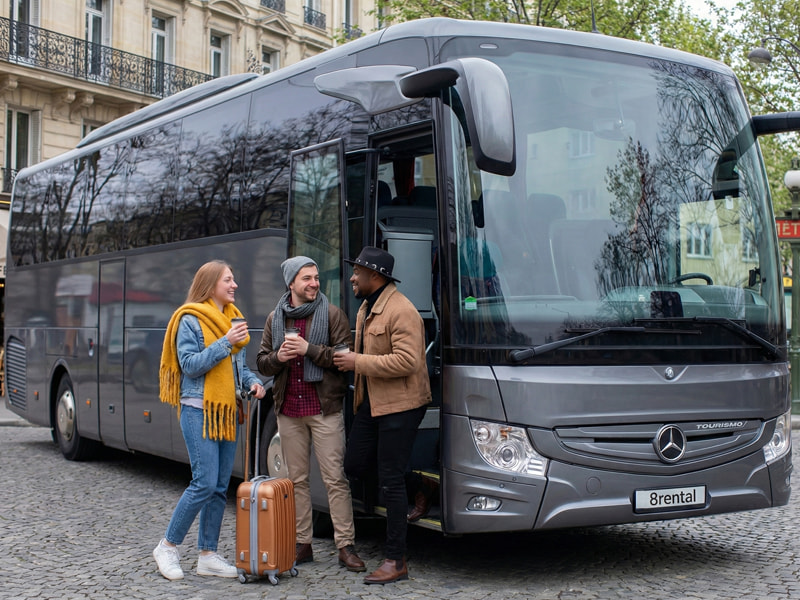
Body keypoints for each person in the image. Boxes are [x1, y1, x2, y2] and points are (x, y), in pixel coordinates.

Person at [153, 260, 266, 581]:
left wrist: (252, 382)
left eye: (234, 279)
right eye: (228, 280)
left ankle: (208, 555)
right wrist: (226, 341)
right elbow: (190, 365)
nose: (234, 285)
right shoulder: (189, 318)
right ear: (211, 283)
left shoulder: (232, 318)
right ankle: (167, 546)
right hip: (197, 409)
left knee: (218, 487)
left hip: (227, 410)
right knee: (202, 482)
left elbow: (237, 368)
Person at [256, 256, 365, 572]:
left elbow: (343, 360)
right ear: (291, 283)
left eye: (316, 277)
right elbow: (262, 362)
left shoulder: (332, 315)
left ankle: (345, 545)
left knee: (335, 479)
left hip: (324, 409)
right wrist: (279, 356)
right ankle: (303, 544)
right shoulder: (276, 318)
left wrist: (308, 350)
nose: (315, 283)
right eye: (307, 278)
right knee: (296, 480)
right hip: (289, 410)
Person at [333, 246, 432, 585]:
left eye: (357, 272)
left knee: (389, 478)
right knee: (355, 465)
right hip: (372, 402)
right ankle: (418, 485)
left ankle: (396, 560)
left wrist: (356, 362)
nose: (352, 278)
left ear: (375, 276)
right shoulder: (366, 308)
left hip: (402, 404)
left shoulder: (402, 311)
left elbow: (408, 362)